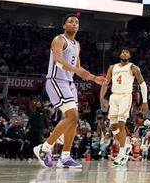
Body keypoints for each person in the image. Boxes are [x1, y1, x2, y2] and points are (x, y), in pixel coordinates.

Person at [33, 14, 107, 169]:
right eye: (70, 22)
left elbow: (79, 69)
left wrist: (94, 78)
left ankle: (65, 156)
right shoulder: (59, 39)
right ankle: (44, 148)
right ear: (64, 26)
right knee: (72, 116)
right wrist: (75, 70)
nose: (74, 24)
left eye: (77, 22)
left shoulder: (77, 44)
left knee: (74, 119)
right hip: (56, 80)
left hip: (69, 82)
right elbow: (58, 60)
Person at [99, 48, 150, 167]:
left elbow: (142, 84)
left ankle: (122, 152)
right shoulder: (112, 68)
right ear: (119, 54)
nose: (125, 53)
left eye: (127, 52)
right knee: (113, 127)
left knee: (121, 124)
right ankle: (127, 146)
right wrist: (101, 97)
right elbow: (105, 83)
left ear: (129, 56)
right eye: (123, 52)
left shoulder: (133, 67)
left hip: (125, 96)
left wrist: (144, 101)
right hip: (114, 97)